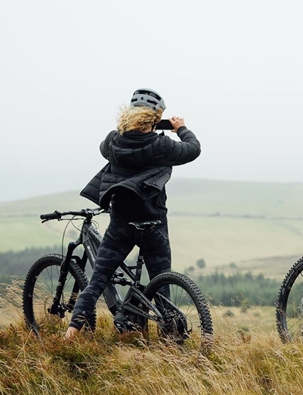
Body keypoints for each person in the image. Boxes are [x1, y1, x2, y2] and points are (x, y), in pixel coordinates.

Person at [64, 88, 201, 340]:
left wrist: (126, 131)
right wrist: (180, 128)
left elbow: (104, 149)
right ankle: (170, 339)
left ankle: (70, 333)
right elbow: (192, 149)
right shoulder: (161, 145)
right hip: (154, 225)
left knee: (97, 282)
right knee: (160, 283)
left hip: (121, 226)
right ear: (155, 118)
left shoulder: (113, 141)